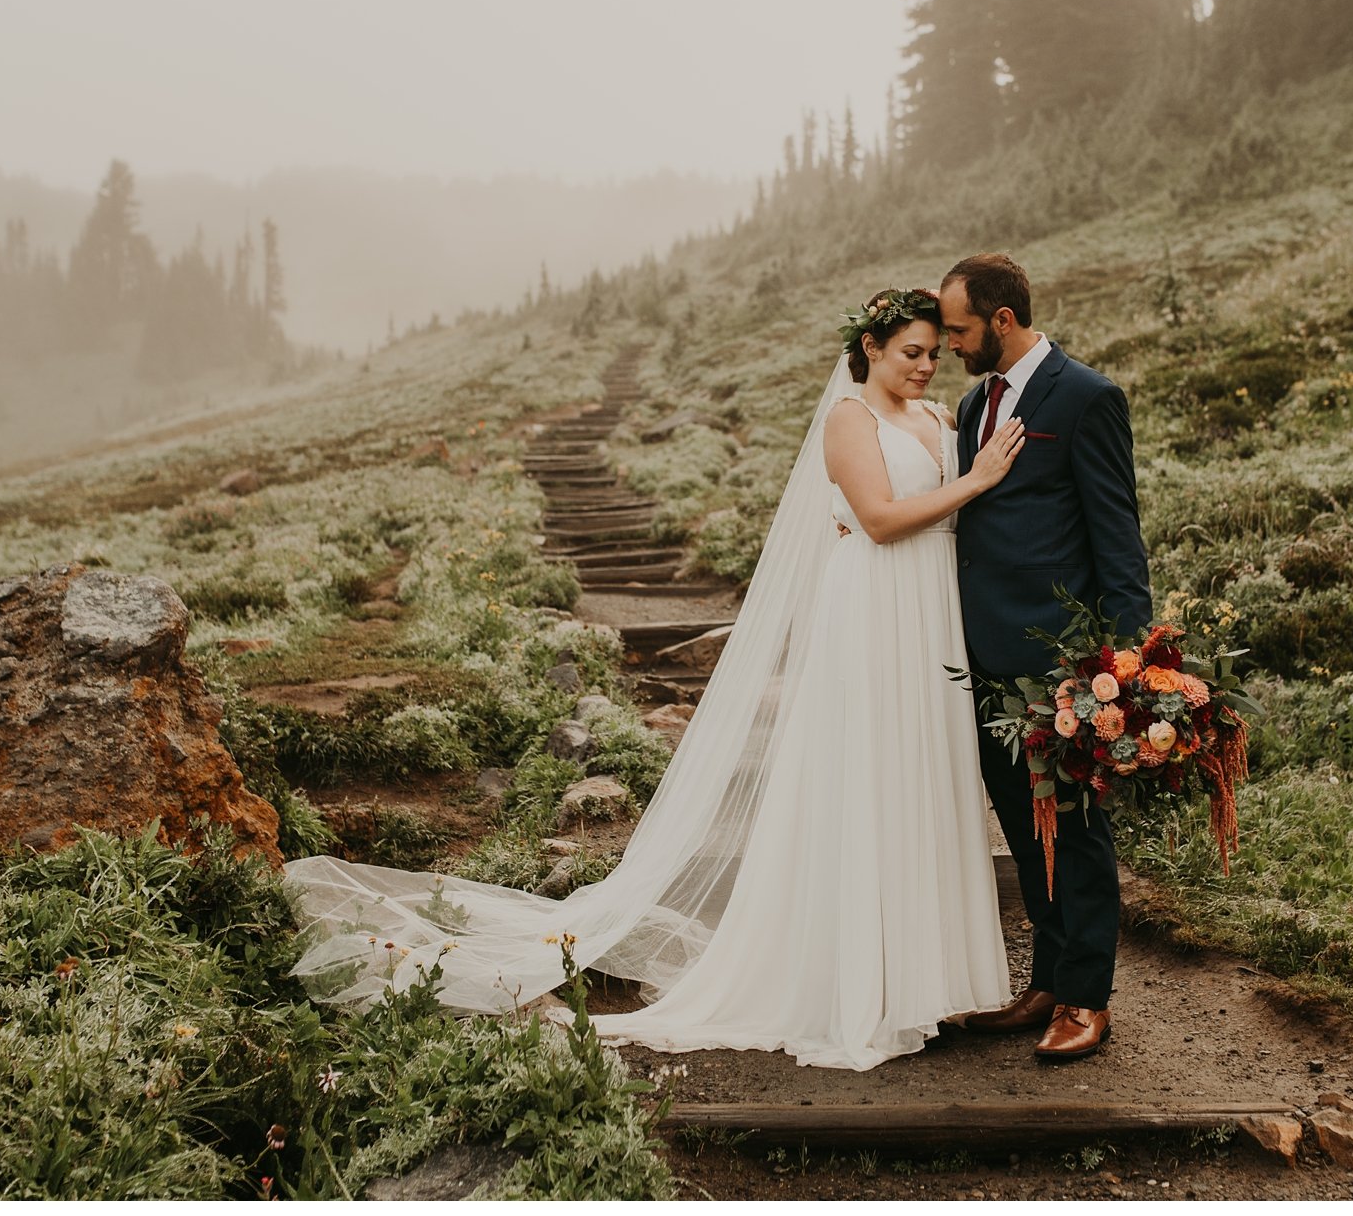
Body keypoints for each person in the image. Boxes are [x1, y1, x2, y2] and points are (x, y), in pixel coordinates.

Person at [282, 288, 1026, 1071]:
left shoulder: (941, 420)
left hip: (930, 610)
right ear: (870, 348)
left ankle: (930, 981)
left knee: (924, 776)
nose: (926, 365)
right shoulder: (849, 419)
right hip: (875, 607)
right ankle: (865, 985)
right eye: (911, 351)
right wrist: (975, 481)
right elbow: (875, 517)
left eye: (934, 353)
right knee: (871, 778)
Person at [936, 252, 1152, 1063]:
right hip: (981, 660)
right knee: (1028, 833)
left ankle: (1087, 999)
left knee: (1078, 832)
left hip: (1063, 665)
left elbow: (1118, 538)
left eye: (958, 329)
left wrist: (1125, 664)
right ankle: (1048, 978)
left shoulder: (1088, 397)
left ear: (1001, 319)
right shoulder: (969, 404)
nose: (950, 344)